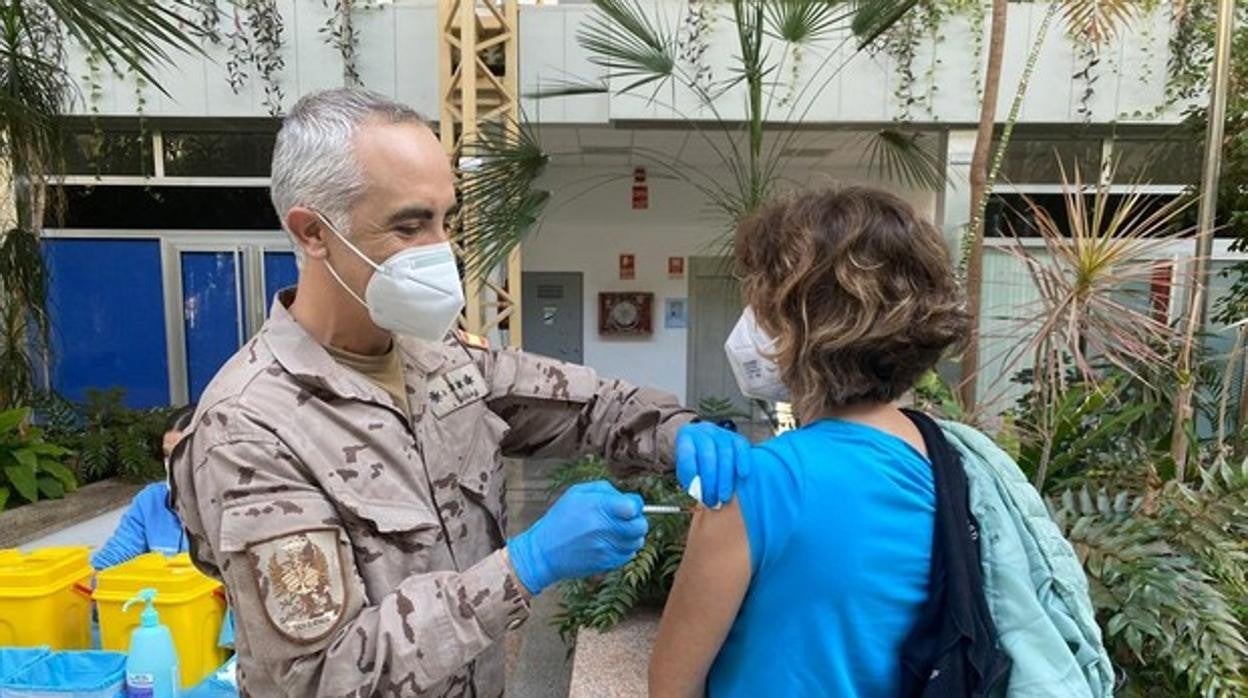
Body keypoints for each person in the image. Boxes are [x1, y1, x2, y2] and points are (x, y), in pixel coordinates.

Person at [169, 87, 747, 697]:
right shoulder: (251, 426)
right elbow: (324, 673)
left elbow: (587, 405)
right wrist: (527, 565)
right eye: (410, 225)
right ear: (314, 232)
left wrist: (678, 433)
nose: (442, 250)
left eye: (447, 219)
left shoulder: (440, 361)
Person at [650, 187, 972, 696]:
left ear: (800, 326)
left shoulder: (759, 485)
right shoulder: (951, 461)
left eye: (762, 303)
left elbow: (671, 686)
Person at [91, 405, 196, 570]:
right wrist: (92, 576)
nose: (172, 464)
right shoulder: (150, 501)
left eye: (181, 454)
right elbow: (115, 555)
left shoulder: (232, 507)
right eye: (167, 455)